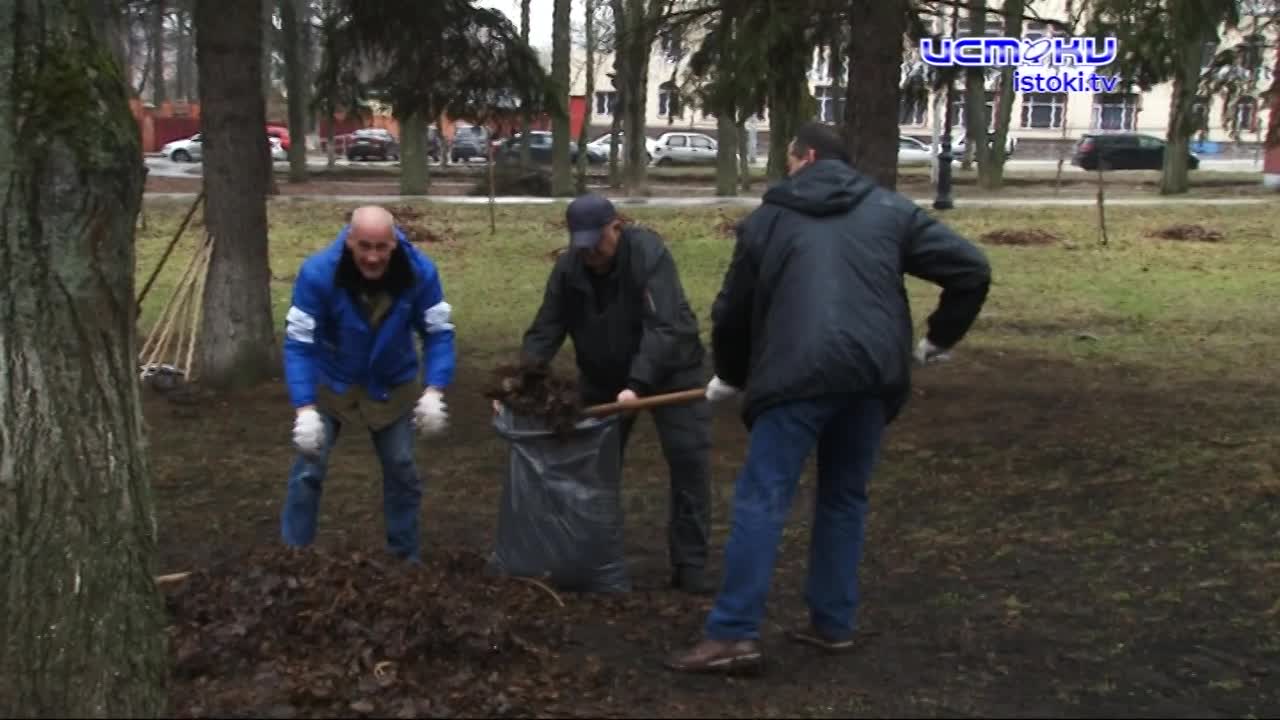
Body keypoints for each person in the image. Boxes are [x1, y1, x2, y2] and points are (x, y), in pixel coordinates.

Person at [665, 122, 992, 672]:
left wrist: (731, 373)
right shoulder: (890, 211)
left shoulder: (768, 221)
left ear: (807, 157)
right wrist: (938, 339)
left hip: (795, 374)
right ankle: (832, 623)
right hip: (871, 375)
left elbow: (731, 311)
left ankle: (733, 633)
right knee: (844, 498)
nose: (785, 169)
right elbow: (971, 269)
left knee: (763, 498)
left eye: (788, 159)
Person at [515, 193, 715, 594]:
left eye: (597, 241)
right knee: (593, 468)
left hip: (674, 371)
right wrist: (518, 384)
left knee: (688, 461)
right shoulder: (569, 269)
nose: (590, 252)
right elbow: (546, 328)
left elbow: (664, 327)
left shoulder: (648, 253)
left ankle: (690, 563)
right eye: (581, 243)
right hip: (604, 377)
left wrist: (637, 385)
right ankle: (590, 556)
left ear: (617, 227)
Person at [281, 205, 456, 562]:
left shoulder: (420, 272)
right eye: (364, 247)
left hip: (393, 381)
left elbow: (438, 334)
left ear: (395, 243)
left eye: (381, 247)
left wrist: (435, 390)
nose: (372, 257)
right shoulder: (318, 273)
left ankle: (406, 560)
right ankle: (292, 558)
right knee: (307, 472)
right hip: (334, 379)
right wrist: (305, 409)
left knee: (402, 468)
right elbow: (299, 344)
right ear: (349, 241)